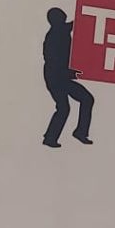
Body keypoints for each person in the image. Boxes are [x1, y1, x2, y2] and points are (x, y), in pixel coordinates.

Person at [41, 8, 93, 147]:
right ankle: (56, 137)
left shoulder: (59, 31)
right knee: (70, 105)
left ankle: (54, 137)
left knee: (68, 106)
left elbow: (74, 24)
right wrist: (70, 73)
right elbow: (55, 61)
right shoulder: (56, 34)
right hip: (57, 78)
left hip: (59, 77)